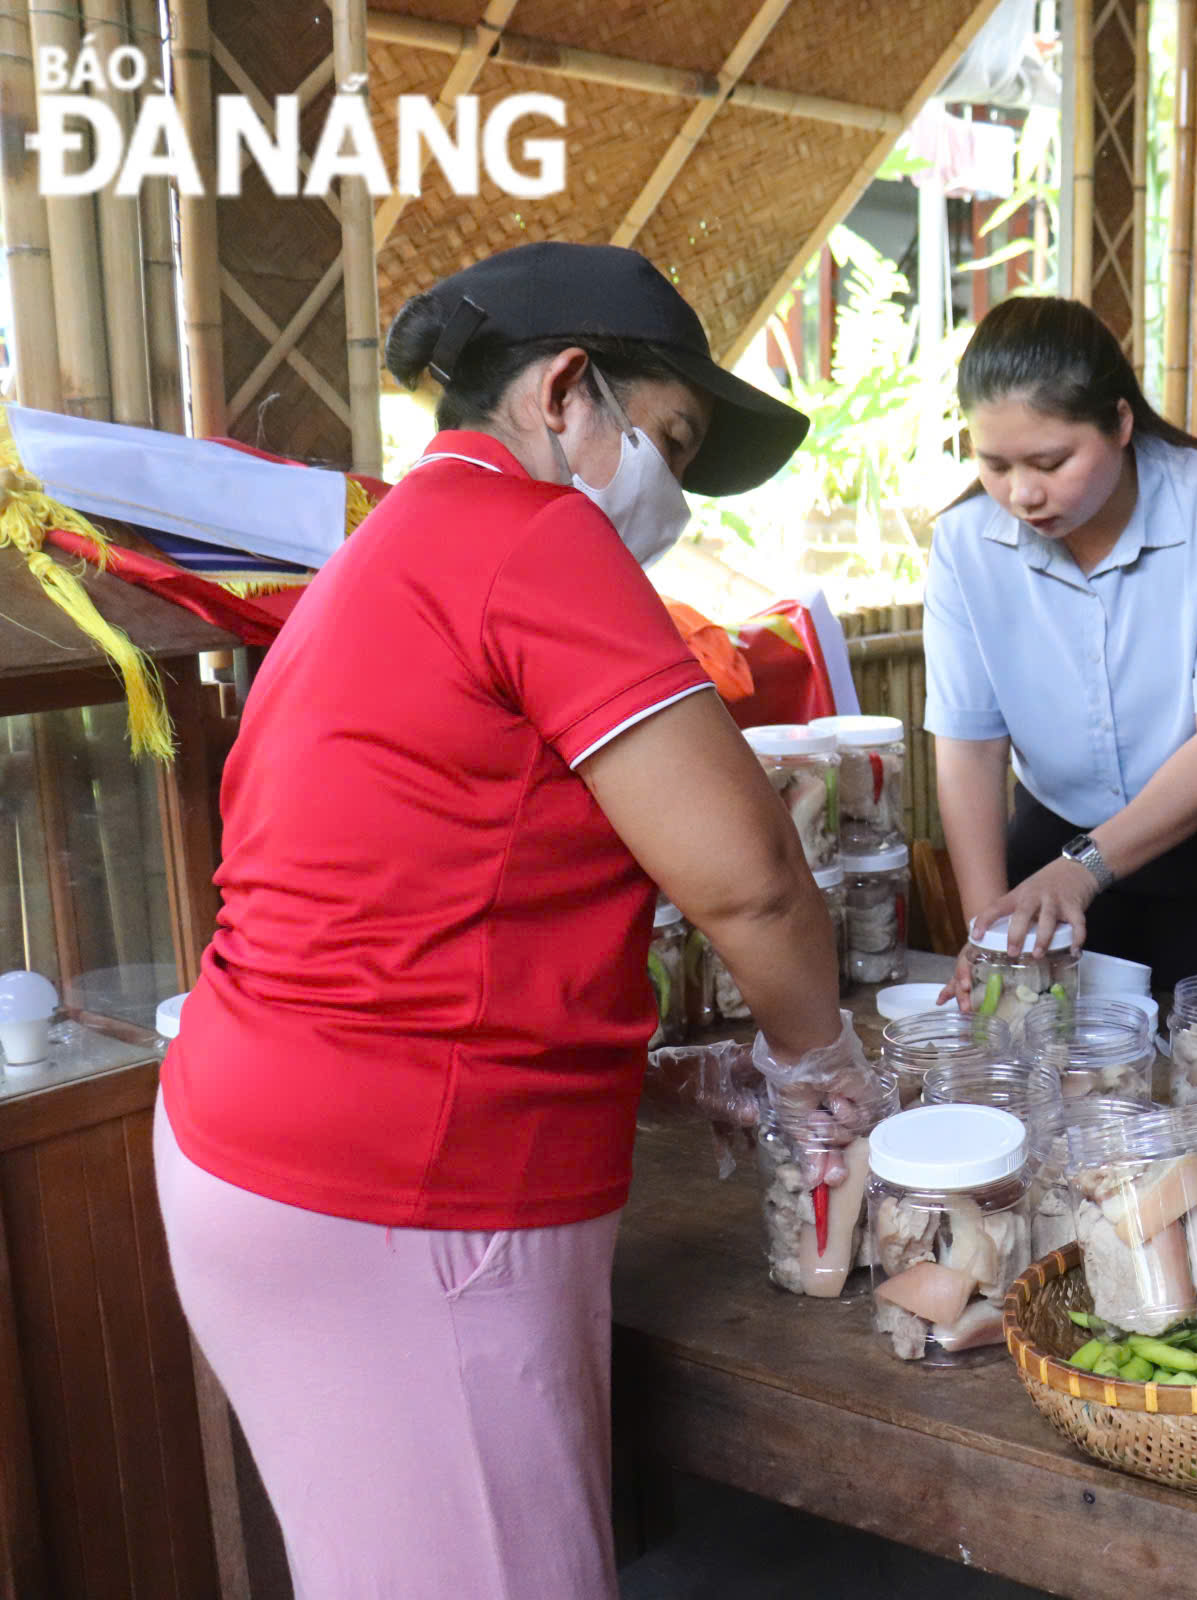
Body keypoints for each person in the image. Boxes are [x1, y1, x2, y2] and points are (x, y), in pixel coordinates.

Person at [155, 242, 854, 1597]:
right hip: (401, 1185)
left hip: (260, 1148)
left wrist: (642, 1072)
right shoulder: (534, 536)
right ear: (565, 392)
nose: (670, 493)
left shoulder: (384, 558)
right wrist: (817, 1069)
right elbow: (751, 876)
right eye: (670, 439)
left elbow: (417, 887)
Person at [925, 296, 1197, 989]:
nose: (1022, 494)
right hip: (1054, 843)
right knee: (1047, 1056)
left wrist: (1086, 870)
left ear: (1121, 423)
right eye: (995, 464)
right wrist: (989, 933)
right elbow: (970, 746)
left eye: (1050, 461)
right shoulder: (964, 544)